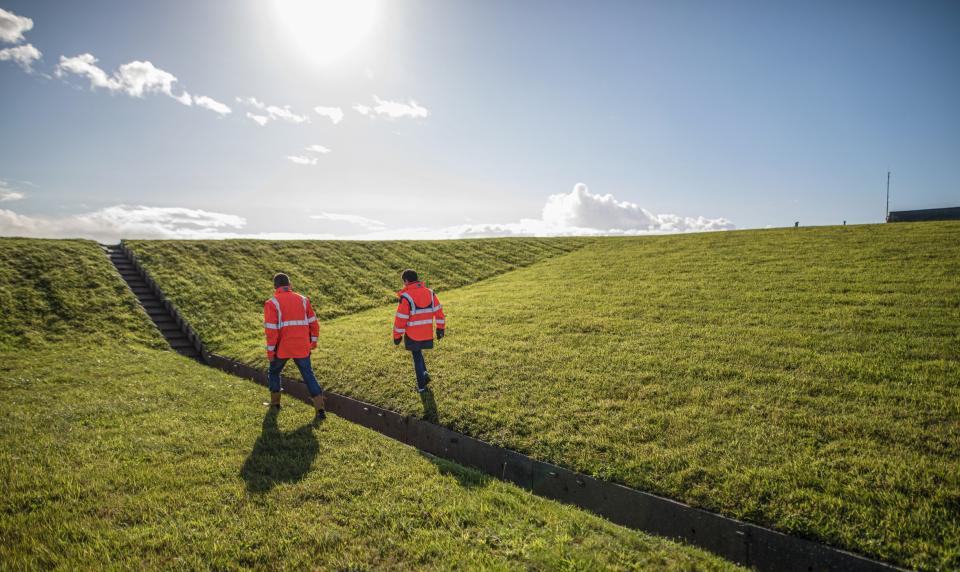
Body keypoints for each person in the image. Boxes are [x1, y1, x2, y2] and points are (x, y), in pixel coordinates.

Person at [264, 273, 326, 418]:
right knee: (308, 375)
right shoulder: (304, 300)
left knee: (274, 372)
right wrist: (314, 342)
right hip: (302, 346)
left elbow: (271, 332)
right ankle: (320, 409)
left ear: (275, 286)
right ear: (289, 284)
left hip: (282, 348)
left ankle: (275, 404)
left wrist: (270, 353)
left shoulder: (271, 303)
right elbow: (314, 323)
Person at [393, 269, 446, 392]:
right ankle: (425, 374)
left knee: (416, 356)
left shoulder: (406, 297)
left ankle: (421, 387)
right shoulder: (430, 293)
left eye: (404, 282)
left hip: (412, 334)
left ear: (406, 281)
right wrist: (440, 328)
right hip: (427, 332)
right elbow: (439, 312)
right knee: (419, 353)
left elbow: (401, 319)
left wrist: (397, 335)